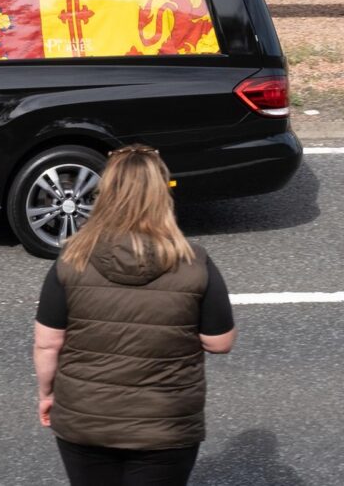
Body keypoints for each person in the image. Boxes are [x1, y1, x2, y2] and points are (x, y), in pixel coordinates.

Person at [33, 144, 237, 486]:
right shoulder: (193, 262)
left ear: (106, 193)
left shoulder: (72, 259)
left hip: (85, 418)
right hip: (165, 424)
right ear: (162, 195)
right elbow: (220, 342)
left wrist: (47, 395)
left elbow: (47, 344)